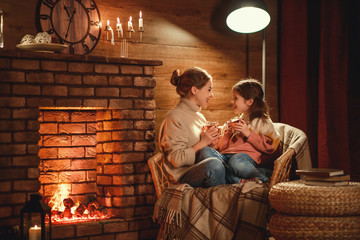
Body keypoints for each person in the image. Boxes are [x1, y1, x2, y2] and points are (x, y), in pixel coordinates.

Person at [198, 79, 280, 184]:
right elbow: (223, 148)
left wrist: (248, 134)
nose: (232, 102)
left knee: (235, 162)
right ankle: (240, 180)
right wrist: (222, 136)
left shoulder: (262, 120)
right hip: (226, 158)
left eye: (235, 98)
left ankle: (262, 178)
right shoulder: (236, 121)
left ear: (250, 101)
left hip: (243, 158)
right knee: (204, 152)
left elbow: (271, 145)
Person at [159, 67, 226, 188]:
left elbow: (203, 152)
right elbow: (177, 159)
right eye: (209, 90)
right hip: (182, 177)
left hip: (199, 170)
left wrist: (211, 144)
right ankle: (226, 199)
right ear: (195, 90)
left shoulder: (200, 117)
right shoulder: (173, 117)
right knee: (214, 165)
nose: (212, 95)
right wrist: (203, 142)